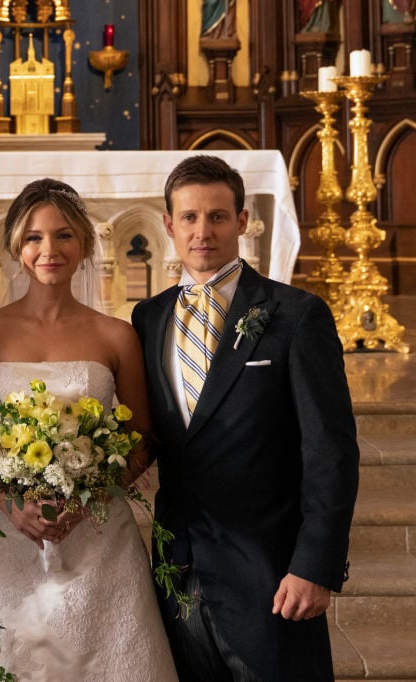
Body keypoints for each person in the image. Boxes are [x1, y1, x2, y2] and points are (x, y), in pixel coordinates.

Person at [0, 178, 179, 681]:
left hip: (99, 534)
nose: (49, 250)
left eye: (63, 235)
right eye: (34, 237)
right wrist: (8, 503)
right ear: (16, 246)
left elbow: (144, 437)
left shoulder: (117, 335)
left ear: (83, 243)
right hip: (9, 530)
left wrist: (92, 495)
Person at [131, 155, 358, 681]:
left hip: (271, 572)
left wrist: (313, 565)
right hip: (178, 570)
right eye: (188, 217)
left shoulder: (296, 315)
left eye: (216, 216)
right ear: (168, 225)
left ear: (243, 220)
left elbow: (331, 453)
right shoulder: (148, 317)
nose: (202, 231)